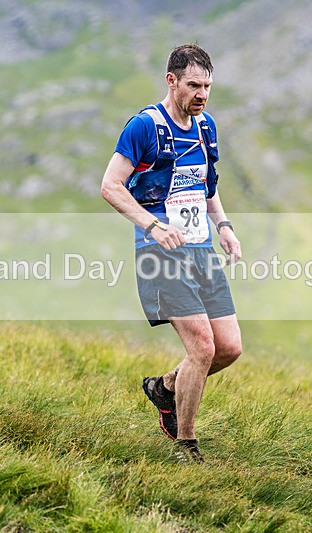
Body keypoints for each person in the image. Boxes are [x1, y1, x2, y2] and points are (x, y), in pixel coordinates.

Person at [100, 44, 242, 463]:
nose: (202, 94)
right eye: (194, 85)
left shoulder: (206, 127)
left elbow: (206, 186)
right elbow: (110, 186)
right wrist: (153, 225)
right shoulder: (145, 127)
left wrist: (226, 228)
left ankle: (164, 388)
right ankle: (186, 444)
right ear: (172, 80)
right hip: (159, 253)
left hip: (200, 251)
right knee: (202, 348)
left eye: (208, 86)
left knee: (228, 348)